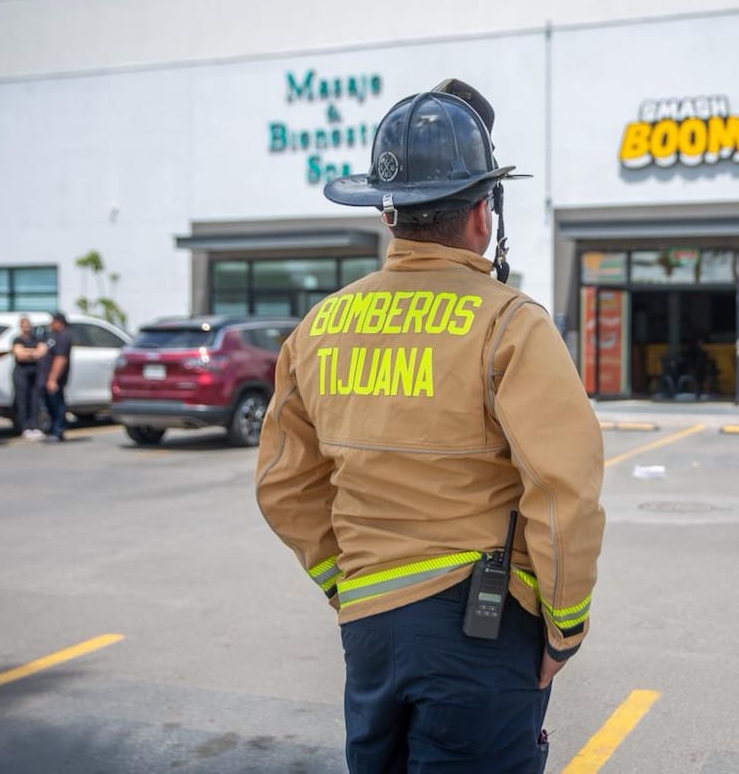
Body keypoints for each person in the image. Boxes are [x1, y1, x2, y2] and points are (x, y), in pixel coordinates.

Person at [255, 78, 606, 774]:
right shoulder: (511, 324)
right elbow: (564, 492)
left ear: (389, 215)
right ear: (483, 213)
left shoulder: (317, 327)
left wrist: (345, 584)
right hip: (481, 631)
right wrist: (564, 628)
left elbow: (282, 485)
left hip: (368, 630)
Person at [38, 312, 73, 443]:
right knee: (50, 405)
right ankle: (53, 429)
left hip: (55, 379)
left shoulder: (64, 336)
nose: (50, 324)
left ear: (58, 322)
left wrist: (52, 379)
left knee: (57, 404)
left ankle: (58, 431)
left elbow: (60, 359)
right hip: (47, 378)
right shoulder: (54, 336)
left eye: (52, 321)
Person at [12, 315, 46, 439]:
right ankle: (24, 427)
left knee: (35, 400)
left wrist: (28, 352)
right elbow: (20, 355)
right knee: (22, 400)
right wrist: (33, 352)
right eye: (24, 325)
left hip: (35, 373)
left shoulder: (37, 339)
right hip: (21, 373)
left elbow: (41, 352)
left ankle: (35, 426)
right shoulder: (17, 339)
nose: (26, 327)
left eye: (28, 325)